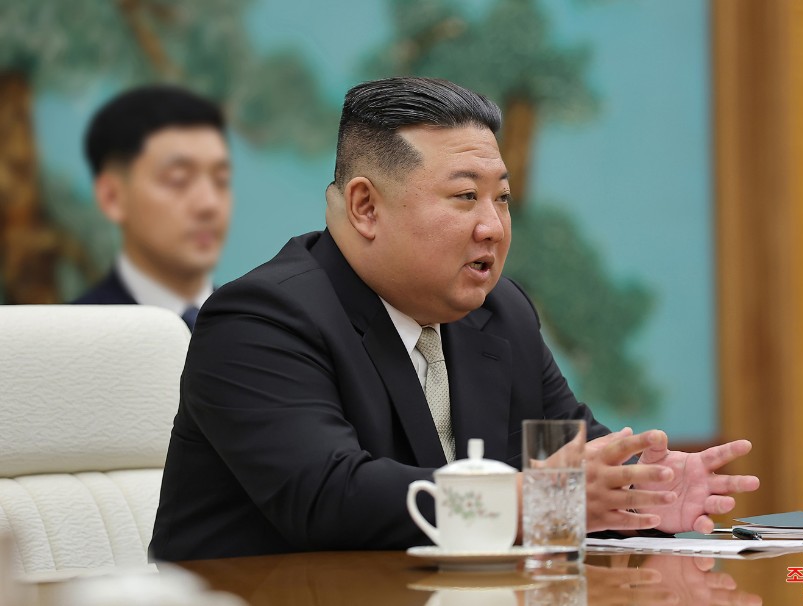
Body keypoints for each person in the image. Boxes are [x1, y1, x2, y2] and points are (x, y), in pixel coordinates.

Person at [150, 77, 758, 561]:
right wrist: (536, 500)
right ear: (365, 206)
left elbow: (572, 455)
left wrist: (642, 494)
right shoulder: (260, 319)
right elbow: (328, 498)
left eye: (502, 198)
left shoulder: (500, 313)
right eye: (466, 196)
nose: (492, 226)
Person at [71, 85, 232, 331]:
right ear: (112, 197)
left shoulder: (262, 329)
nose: (209, 204)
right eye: (179, 179)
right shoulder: (72, 337)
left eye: (221, 180)